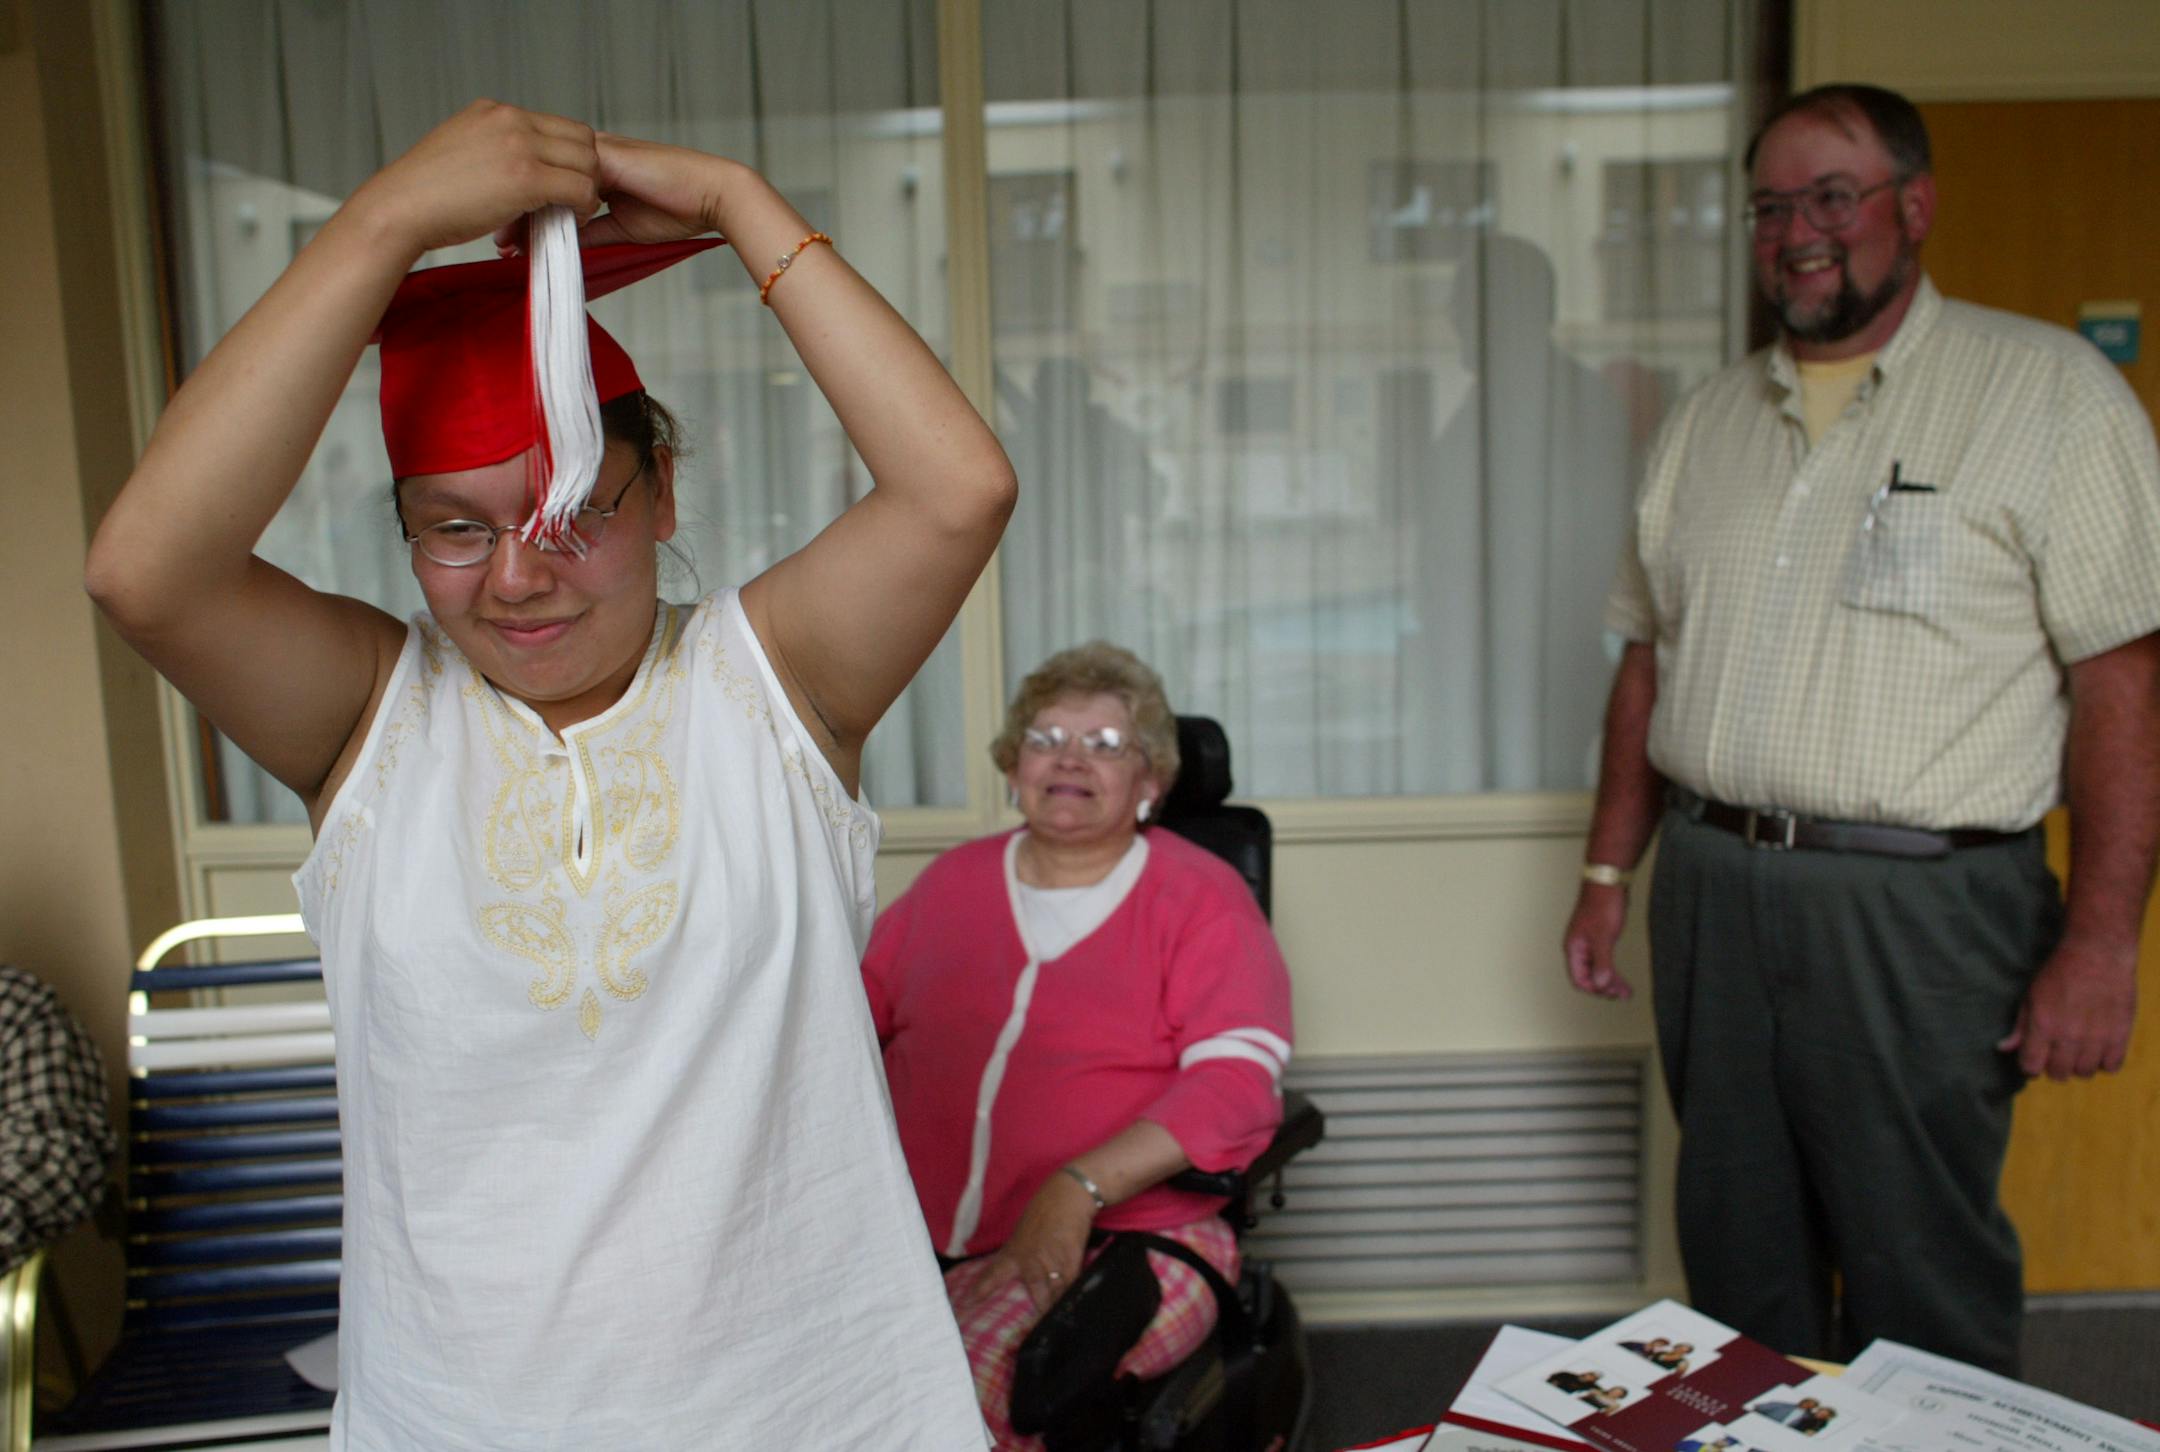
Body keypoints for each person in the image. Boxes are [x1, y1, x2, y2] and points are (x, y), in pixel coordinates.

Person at [86, 100, 1016, 1449]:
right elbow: (143, 569)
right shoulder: (373, 718)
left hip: (807, 1408)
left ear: (665, 494)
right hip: (466, 1418)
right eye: (455, 529)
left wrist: (736, 199)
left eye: (572, 510)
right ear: (404, 535)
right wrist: (383, 222)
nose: (516, 577)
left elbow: (959, 490)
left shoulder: (769, 688)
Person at [1560, 81, 2160, 1376]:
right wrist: (1609, 874)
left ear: (1915, 206)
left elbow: (2123, 684)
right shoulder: (1706, 423)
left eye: (1833, 195)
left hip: (1925, 911)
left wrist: (2105, 942)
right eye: (1772, 206)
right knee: (1734, 1253)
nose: (1798, 231)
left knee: (1916, 1263)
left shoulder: (2049, 395)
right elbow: (1645, 665)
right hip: (1714, 890)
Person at [860, 644, 1294, 1450]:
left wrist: (1078, 1187)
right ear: (1013, 766)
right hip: (912, 1231)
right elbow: (844, 1028)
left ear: (1151, 783)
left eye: (1104, 744)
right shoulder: (953, 883)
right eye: (1045, 736)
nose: (1068, 758)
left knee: (970, 1392)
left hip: (1137, 1232)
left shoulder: (1201, 897)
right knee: (819, 1380)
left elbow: (1238, 1082)